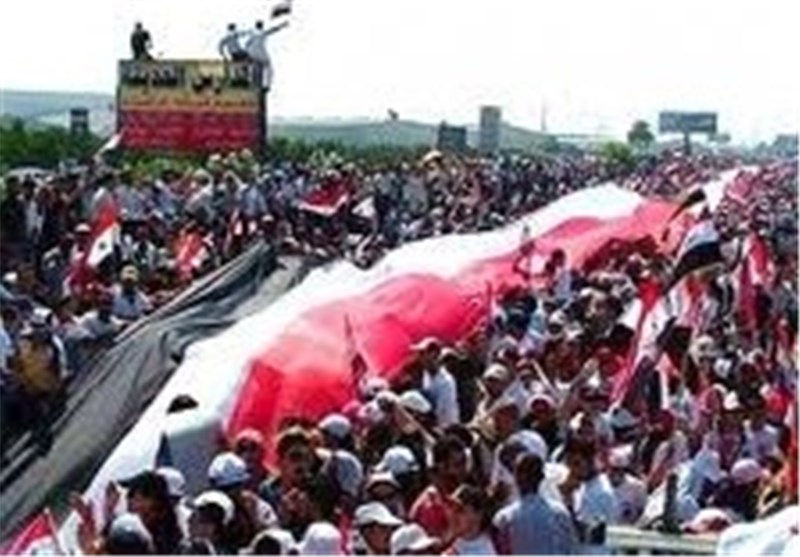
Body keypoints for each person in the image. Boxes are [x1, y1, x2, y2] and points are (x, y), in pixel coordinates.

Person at [493, 453, 577, 554]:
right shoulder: (560, 513)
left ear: (515, 477)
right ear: (542, 477)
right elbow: (569, 548)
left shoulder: (504, 518)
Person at [445, 485, 496, 555]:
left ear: (478, 515)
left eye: (460, 510)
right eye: (451, 508)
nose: (452, 515)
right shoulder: (450, 552)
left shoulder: (499, 545)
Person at [245, 19, 289, 90]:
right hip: (261, 53)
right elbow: (273, 30)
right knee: (268, 67)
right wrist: (282, 25)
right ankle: (266, 85)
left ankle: (252, 83)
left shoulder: (252, 33)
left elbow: (247, 44)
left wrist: (248, 53)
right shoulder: (263, 33)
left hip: (252, 53)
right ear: (262, 27)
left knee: (255, 67)